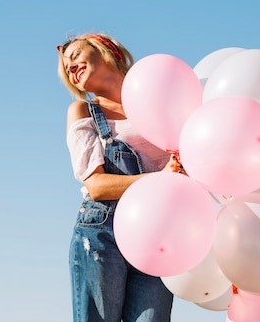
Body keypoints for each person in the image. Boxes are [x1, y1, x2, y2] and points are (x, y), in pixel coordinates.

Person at [57, 33, 182, 322]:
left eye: (76, 55)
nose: (71, 66)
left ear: (107, 50)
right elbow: (97, 186)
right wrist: (159, 179)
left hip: (157, 235)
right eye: (66, 67)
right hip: (102, 234)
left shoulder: (160, 102)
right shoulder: (83, 112)